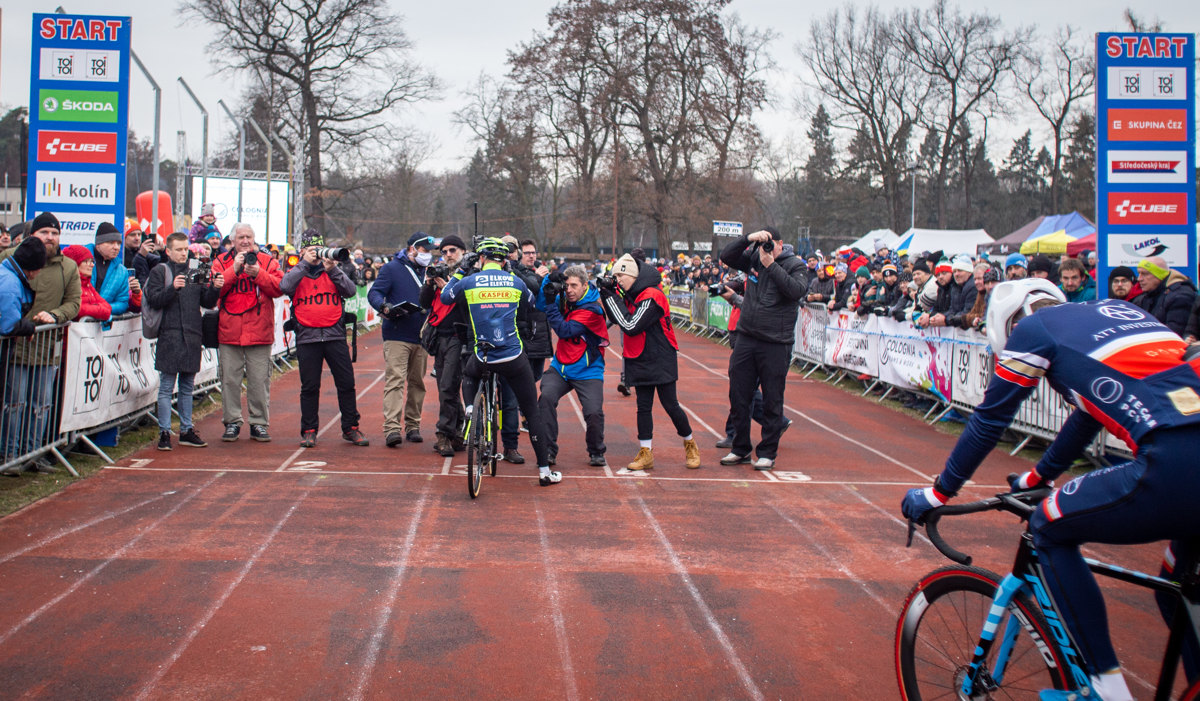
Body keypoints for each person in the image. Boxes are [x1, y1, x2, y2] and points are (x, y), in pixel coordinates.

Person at [901, 279, 1200, 701]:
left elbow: (990, 419)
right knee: (1177, 588)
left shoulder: (1035, 329)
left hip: (1177, 458)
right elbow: (1087, 415)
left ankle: (1109, 687)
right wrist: (1038, 477)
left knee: (1047, 526)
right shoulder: (1122, 310)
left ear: (1008, 325)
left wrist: (939, 494)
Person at [440, 237, 562, 486]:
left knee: (469, 374)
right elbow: (532, 303)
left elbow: (445, 298)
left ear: (481, 258)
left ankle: (472, 412)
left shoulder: (468, 281)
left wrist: (463, 269)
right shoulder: (515, 281)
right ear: (505, 260)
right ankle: (544, 472)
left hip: (482, 356)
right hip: (512, 357)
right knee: (532, 412)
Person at [598, 254, 700, 471]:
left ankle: (689, 442)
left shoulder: (652, 295)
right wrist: (609, 294)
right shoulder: (630, 293)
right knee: (643, 407)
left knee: (670, 404)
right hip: (639, 356)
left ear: (632, 275)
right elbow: (617, 317)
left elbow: (630, 324)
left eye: (620, 275)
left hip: (660, 356)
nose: (618, 280)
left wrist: (609, 296)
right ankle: (646, 452)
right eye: (614, 276)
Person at [718, 227, 808, 469]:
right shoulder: (753, 258)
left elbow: (796, 291)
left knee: (771, 398)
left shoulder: (795, 265)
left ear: (780, 244)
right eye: (763, 244)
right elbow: (726, 256)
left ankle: (767, 452)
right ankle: (740, 448)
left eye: (770, 244)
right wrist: (748, 239)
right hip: (747, 336)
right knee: (738, 394)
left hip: (776, 342)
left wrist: (771, 265)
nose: (766, 249)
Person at [0, 213, 82, 473]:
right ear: (32, 235)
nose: (50, 237)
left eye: (54, 233)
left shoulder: (68, 267)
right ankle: (8, 455)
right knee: (13, 404)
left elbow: (74, 302)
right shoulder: (9, 259)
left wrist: (55, 316)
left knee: (42, 404)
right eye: (44, 232)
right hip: (16, 347)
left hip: (47, 347)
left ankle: (33, 453)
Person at [281, 230, 368, 449]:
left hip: (334, 335)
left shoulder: (332, 270)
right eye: (312, 250)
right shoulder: (296, 271)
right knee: (310, 386)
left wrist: (333, 269)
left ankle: (351, 428)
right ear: (302, 251)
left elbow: (349, 291)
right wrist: (304, 264)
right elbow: (284, 287)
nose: (316, 254)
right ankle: (309, 430)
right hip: (308, 337)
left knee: (346, 383)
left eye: (318, 250)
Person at [144, 232, 222, 451]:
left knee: (187, 387)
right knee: (166, 387)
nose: (183, 253)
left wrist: (215, 288)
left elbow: (206, 301)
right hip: (169, 336)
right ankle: (164, 433)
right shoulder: (160, 270)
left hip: (192, 334)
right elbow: (155, 300)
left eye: (185, 249)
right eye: (178, 249)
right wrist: (173, 288)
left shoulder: (197, 267)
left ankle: (187, 430)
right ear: (168, 251)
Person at [211, 223, 284, 442]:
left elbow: (279, 288)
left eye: (249, 237)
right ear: (232, 241)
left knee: (259, 381)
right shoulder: (221, 262)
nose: (245, 241)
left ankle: (259, 423)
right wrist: (233, 270)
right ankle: (232, 422)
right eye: (241, 237)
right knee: (230, 381)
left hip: (259, 330)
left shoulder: (267, 261)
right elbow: (215, 289)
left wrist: (258, 274)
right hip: (230, 330)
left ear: (254, 239)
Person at [537, 265, 609, 467]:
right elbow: (541, 304)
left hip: (588, 369)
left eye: (574, 285)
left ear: (585, 285)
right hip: (561, 366)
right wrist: (548, 282)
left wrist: (552, 304)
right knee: (546, 399)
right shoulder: (565, 299)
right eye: (566, 285)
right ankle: (548, 451)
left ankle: (596, 451)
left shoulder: (593, 309)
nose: (568, 290)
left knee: (593, 412)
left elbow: (565, 330)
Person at [368, 232, 435, 447]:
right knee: (395, 380)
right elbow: (375, 293)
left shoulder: (430, 272)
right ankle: (392, 428)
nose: (428, 255)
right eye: (424, 251)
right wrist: (384, 306)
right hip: (397, 333)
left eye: (430, 251)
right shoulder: (391, 269)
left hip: (422, 335)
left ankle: (413, 425)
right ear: (412, 249)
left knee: (418, 383)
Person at [418, 235, 468, 457]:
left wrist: (449, 288)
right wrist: (430, 284)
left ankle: (444, 435)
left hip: (459, 336)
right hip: (440, 336)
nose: (448, 255)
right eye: (445, 251)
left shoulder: (469, 274)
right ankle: (457, 430)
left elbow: (468, 303)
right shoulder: (438, 271)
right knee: (444, 387)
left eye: (453, 250)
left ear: (462, 252)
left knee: (448, 386)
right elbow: (424, 303)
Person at [1132, 256, 1196, 337]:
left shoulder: (1181, 296)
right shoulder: (1146, 296)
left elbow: (1174, 333)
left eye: (1145, 274)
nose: (1139, 279)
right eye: (1139, 273)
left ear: (1159, 275)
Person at [88, 222, 139, 315]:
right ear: (98, 244)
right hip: (77, 323)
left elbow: (123, 303)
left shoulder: (122, 271)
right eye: (111, 243)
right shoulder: (81, 261)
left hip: (104, 323)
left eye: (119, 244)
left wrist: (102, 309)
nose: (116, 247)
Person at [61, 246, 112, 321]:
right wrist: (99, 309)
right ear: (75, 264)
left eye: (92, 261)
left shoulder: (87, 284)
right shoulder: (67, 284)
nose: (92, 265)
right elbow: (76, 309)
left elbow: (108, 307)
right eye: (86, 261)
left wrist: (94, 309)